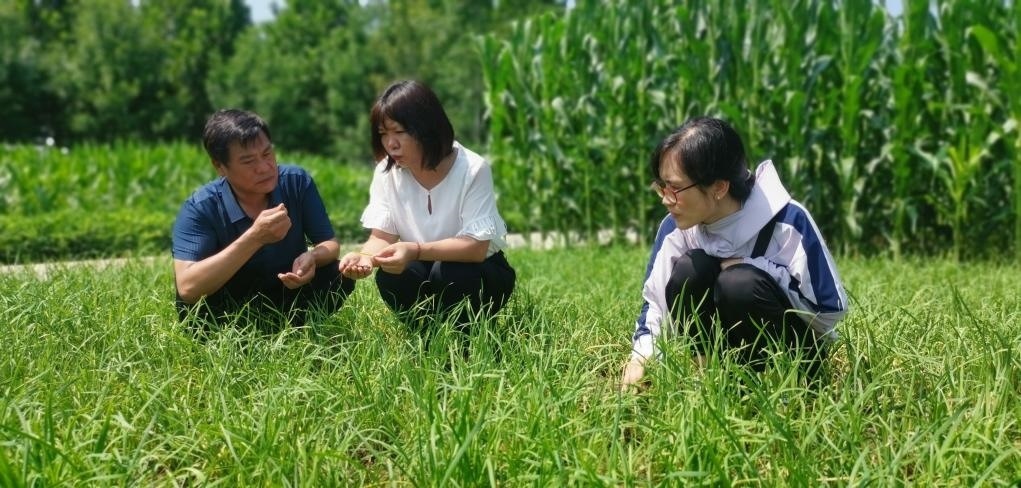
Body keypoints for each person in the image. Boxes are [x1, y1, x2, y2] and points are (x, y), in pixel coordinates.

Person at [621, 116, 848, 389]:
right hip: (721, 355)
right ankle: (709, 380)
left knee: (739, 283)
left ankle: (781, 387)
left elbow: (830, 308)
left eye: (676, 188)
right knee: (691, 269)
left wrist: (759, 269)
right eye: (662, 186)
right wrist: (641, 357)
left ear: (719, 187)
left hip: (792, 355)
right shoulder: (676, 226)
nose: (666, 200)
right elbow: (655, 302)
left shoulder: (787, 220)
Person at [338, 80, 516, 329]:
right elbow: (383, 236)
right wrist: (365, 256)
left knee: (450, 273)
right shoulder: (386, 173)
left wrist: (415, 250)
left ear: (426, 128)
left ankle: (466, 336)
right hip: (423, 268)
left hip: (478, 271)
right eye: (383, 134)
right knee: (392, 276)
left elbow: (476, 248)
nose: (390, 143)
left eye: (399, 132)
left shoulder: (473, 169)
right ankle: (427, 336)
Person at [172, 109, 355, 328]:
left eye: (267, 154)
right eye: (248, 161)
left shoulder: (296, 182)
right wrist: (254, 237)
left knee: (337, 273)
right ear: (220, 166)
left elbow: (330, 244)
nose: (264, 167)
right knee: (193, 306)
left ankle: (295, 328)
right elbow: (187, 288)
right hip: (227, 311)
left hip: (287, 291)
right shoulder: (200, 207)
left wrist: (312, 258)